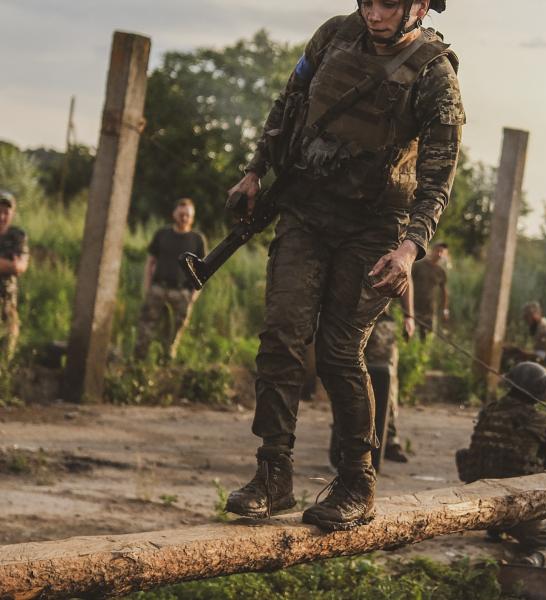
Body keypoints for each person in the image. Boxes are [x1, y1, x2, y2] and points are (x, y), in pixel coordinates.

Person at [223, 0, 465, 532]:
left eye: (390, 4)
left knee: (338, 353)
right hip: (305, 211)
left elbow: (437, 178)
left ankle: (357, 481)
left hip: (374, 230)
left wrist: (409, 249)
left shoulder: (434, 74)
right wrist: (255, 171)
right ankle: (273, 475)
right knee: (281, 337)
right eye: (369, 1)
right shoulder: (334, 35)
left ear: (420, 7)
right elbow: (290, 102)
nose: (376, 14)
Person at [455, 362, 546, 566]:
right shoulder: (542, 420)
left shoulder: (487, 412)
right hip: (512, 508)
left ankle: (495, 528)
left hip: (476, 501)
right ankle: (532, 562)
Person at [328, 290, 416, 470]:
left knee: (384, 382)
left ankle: (388, 438)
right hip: (346, 316)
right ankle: (343, 436)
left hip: (379, 318)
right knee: (343, 377)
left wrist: (409, 315)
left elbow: (405, 272)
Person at [135, 198, 208, 361]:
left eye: (187, 215)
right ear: (174, 214)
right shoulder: (162, 234)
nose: (184, 218)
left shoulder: (197, 239)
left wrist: (194, 296)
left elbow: (203, 271)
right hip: (157, 289)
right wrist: (147, 286)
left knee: (173, 334)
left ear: (192, 217)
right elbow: (150, 262)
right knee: (145, 329)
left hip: (182, 293)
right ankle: (138, 364)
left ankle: (165, 365)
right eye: (181, 214)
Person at [0, 190, 29, 357]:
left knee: (6, 354)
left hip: (8, 304)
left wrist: (14, 267)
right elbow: (13, 267)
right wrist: (9, 265)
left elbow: (20, 267)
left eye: (6, 212)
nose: (2, 216)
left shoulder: (18, 236)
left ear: (12, 214)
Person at [504, 301, 546, 372]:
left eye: (526, 317)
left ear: (534, 315)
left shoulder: (543, 329)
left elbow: (540, 356)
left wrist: (518, 352)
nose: (525, 321)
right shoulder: (544, 326)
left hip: (543, 369)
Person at [411, 242, 450, 338]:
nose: (439, 254)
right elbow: (407, 282)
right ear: (432, 250)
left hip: (430, 311)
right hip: (413, 308)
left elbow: (444, 291)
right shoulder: (418, 265)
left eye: (442, 252)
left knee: (427, 338)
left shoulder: (441, 271)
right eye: (438, 251)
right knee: (408, 336)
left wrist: (445, 309)